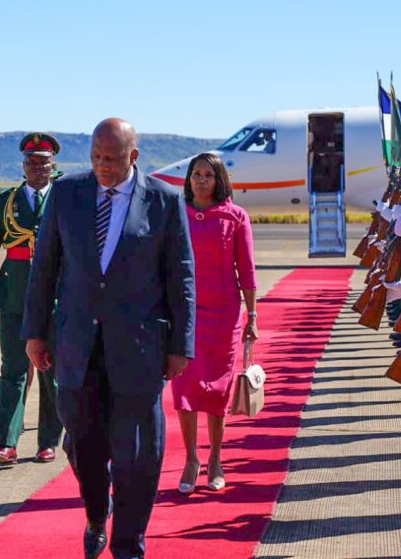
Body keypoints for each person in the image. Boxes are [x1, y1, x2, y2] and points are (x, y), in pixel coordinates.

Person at [22, 118, 196, 559]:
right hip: (77, 345)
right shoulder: (67, 194)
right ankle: (98, 511)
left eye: (112, 159)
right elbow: (45, 268)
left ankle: (129, 544)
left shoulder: (163, 200)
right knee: (81, 444)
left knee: (137, 454)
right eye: (96, 157)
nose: (102, 166)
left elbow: (181, 278)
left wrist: (181, 345)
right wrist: (35, 333)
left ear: (133, 157)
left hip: (139, 349)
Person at [0, 132, 65, 465]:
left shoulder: (65, 198)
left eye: (43, 162)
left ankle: (48, 441)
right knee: (12, 370)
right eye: (31, 162)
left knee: (51, 373)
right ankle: (7, 443)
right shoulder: (5, 202)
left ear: (54, 165)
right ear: (23, 165)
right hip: (14, 296)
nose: (37, 167)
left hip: (56, 298)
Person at [171, 152, 258, 494]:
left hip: (224, 315)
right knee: (186, 387)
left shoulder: (235, 216)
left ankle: (217, 459)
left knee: (218, 390)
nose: (201, 180)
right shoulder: (177, 215)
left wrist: (253, 315)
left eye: (208, 174)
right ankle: (191, 458)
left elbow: (247, 271)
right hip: (186, 313)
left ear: (219, 179)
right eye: (196, 174)